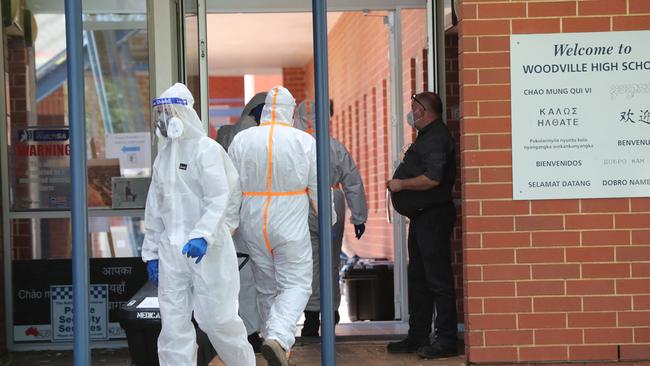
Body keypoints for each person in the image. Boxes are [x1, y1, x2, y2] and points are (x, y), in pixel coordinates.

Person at [141, 83, 255, 366]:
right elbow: (155, 208)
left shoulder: (207, 150)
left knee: (218, 320)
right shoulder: (163, 156)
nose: (164, 120)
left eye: (168, 113)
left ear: (183, 113)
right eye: (160, 115)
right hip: (171, 252)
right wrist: (151, 252)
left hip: (209, 250)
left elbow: (219, 196)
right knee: (173, 325)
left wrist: (203, 235)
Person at [228, 86, 335, 366]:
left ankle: (275, 344)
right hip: (288, 219)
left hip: (252, 219)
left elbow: (230, 186)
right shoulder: (304, 141)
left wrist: (229, 223)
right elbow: (318, 187)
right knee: (297, 283)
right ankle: (277, 337)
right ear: (291, 111)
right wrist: (328, 216)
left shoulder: (242, 140)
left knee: (266, 286)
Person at [386, 91, 458, 359]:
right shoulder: (427, 137)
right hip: (421, 218)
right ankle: (418, 336)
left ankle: (446, 340)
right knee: (419, 279)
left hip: (433, 218)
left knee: (437, 279)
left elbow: (433, 178)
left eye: (414, 108)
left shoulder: (437, 137)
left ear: (422, 111)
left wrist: (401, 184)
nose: (410, 113)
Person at [293, 100, 368, 336]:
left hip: (302, 204)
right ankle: (331, 310)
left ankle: (312, 316)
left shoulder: (295, 145)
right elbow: (352, 182)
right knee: (331, 260)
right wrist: (359, 217)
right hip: (332, 201)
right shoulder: (334, 146)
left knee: (310, 262)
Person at [216, 93, 268, 353]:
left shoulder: (231, 134)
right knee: (252, 276)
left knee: (249, 276)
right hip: (253, 215)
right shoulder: (235, 135)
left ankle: (253, 331)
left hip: (249, 214)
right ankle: (256, 331)